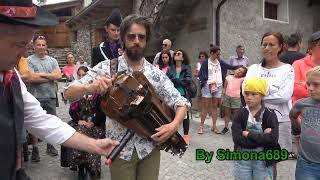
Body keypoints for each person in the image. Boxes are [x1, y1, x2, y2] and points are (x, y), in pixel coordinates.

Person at [0, 1, 118, 179]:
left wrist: (94, 145)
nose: (25, 53)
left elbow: (41, 120)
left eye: (28, 45)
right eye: (19, 44)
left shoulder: (12, 76)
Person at [64, 14, 190, 180]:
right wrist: (91, 87)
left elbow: (182, 102)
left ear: (146, 40)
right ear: (123, 37)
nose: (136, 41)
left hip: (149, 149)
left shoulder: (155, 73)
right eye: (131, 36)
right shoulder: (107, 67)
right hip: (119, 151)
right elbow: (68, 92)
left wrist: (173, 125)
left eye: (141, 37)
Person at [243, 31, 294, 179]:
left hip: (278, 121)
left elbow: (284, 96)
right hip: (253, 120)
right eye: (264, 44)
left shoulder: (287, 69)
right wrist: (273, 89)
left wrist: (258, 92)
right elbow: (246, 91)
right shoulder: (253, 68)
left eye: (272, 44)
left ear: (280, 47)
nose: (267, 48)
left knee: (271, 162)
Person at [232, 77, 279, 180]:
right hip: (243, 158)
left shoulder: (270, 115)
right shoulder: (240, 114)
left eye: (253, 94)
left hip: (262, 160)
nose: (249, 97)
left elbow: (273, 140)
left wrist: (249, 135)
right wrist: (262, 137)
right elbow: (237, 138)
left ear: (262, 95)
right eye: (247, 93)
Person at [66, 66, 106, 178]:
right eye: (80, 75)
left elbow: (103, 111)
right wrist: (79, 121)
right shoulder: (77, 93)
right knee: (78, 131)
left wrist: (93, 122)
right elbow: (72, 110)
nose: (82, 77)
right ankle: (81, 164)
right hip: (80, 123)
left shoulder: (99, 92)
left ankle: (91, 166)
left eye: (84, 75)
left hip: (96, 124)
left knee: (90, 134)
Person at [197, 45, 238, 134]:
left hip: (218, 86)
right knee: (205, 107)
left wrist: (241, 66)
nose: (218, 56)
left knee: (215, 107)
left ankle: (214, 126)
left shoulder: (220, 62)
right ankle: (201, 126)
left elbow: (230, 67)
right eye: (217, 54)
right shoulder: (205, 62)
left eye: (219, 54)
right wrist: (205, 82)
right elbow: (200, 74)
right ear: (212, 53)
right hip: (208, 86)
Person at [290, 66, 320, 180]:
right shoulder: (301, 104)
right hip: (307, 165)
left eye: (316, 84)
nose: (310, 88)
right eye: (308, 84)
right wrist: (297, 130)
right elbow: (293, 115)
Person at [166, 49, 192, 144]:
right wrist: (179, 81)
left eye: (179, 53)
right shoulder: (170, 68)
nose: (176, 54)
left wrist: (175, 80)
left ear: (183, 57)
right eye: (175, 53)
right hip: (172, 95)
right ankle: (173, 134)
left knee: (185, 116)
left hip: (183, 95)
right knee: (172, 116)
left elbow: (188, 81)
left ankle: (186, 136)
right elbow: (167, 81)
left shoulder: (187, 68)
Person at [220, 66, 247, 134]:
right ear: (235, 69)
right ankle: (226, 127)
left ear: (243, 74)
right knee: (227, 113)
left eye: (241, 72)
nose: (239, 72)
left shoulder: (242, 79)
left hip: (236, 98)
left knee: (236, 115)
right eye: (238, 70)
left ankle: (235, 127)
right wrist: (222, 97)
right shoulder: (228, 77)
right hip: (227, 97)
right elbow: (224, 87)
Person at [195, 51, 208, 118]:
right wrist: (199, 74)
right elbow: (195, 74)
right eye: (200, 57)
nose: (201, 58)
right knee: (199, 96)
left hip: (206, 82)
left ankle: (206, 112)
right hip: (199, 81)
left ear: (205, 57)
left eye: (203, 56)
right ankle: (199, 111)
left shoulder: (208, 64)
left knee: (205, 97)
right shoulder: (198, 64)